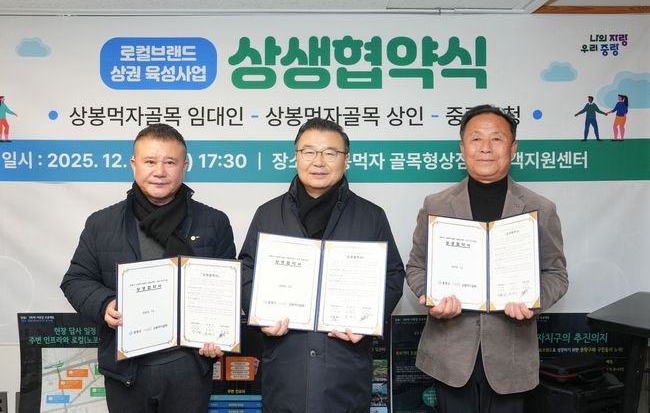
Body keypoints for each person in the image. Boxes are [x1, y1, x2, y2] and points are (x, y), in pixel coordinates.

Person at [60, 123, 236, 413]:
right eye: (150, 161)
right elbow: (76, 279)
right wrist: (105, 304)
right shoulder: (102, 223)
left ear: (184, 166)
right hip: (126, 368)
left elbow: (227, 292)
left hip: (189, 367)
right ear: (134, 165)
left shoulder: (213, 222)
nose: (160, 171)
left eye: (170, 162)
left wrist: (219, 336)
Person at [405, 105, 568, 413]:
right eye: (476, 138)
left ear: (513, 148)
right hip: (449, 355)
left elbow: (556, 273)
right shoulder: (436, 205)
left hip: (512, 356)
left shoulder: (540, 208)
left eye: (496, 138)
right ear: (462, 148)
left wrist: (533, 301)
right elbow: (416, 266)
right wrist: (431, 296)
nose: (486, 148)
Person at [239, 117, 405, 413]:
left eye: (330, 153)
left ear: (346, 160)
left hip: (344, 365)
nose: (319, 161)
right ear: (296, 156)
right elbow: (246, 271)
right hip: (286, 364)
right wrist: (261, 315)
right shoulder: (268, 214)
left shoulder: (371, 216)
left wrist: (368, 322)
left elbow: (392, 275)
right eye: (309, 152)